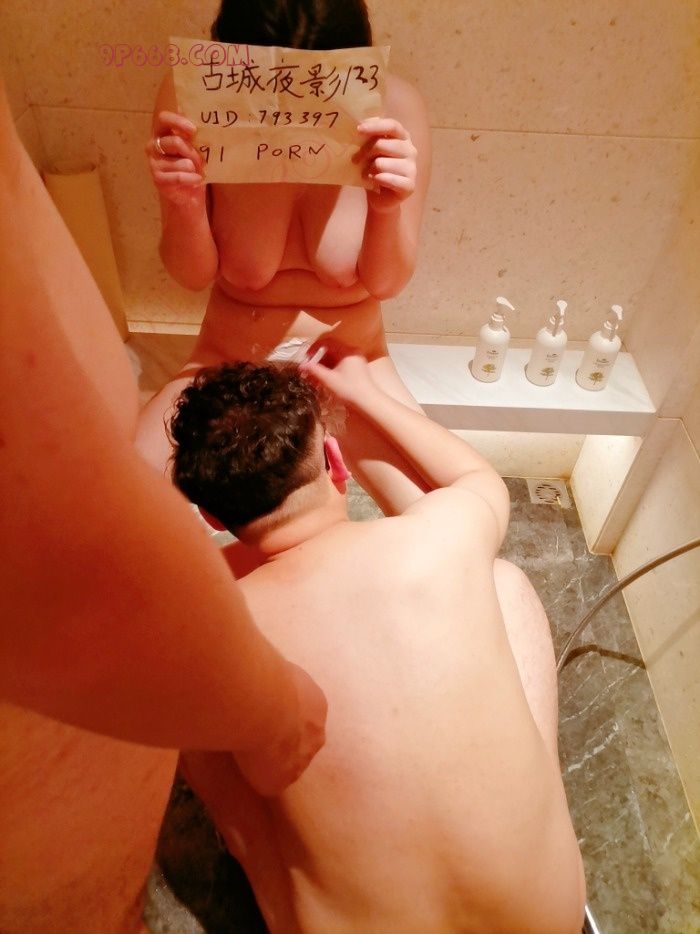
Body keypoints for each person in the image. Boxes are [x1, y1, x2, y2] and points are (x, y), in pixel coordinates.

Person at [0, 78, 326, 933]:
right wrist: (270, 709)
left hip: (335, 349)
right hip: (55, 814)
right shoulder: (199, 94)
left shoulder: (386, 111)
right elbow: (69, 574)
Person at [168, 348, 587, 934]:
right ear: (336, 462)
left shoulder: (215, 630)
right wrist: (364, 393)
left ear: (213, 519)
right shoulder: (441, 538)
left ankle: (272, 888)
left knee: (197, 724)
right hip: (545, 917)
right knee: (501, 582)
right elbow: (477, 479)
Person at [137, 0, 432, 514]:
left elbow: (387, 283)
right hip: (228, 362)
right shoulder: (195, 98)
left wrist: (388, 207)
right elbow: (192, 274)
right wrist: (182, 202)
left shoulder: (395, 109)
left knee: (445, 515)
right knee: (122, 507)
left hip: (352, 367)